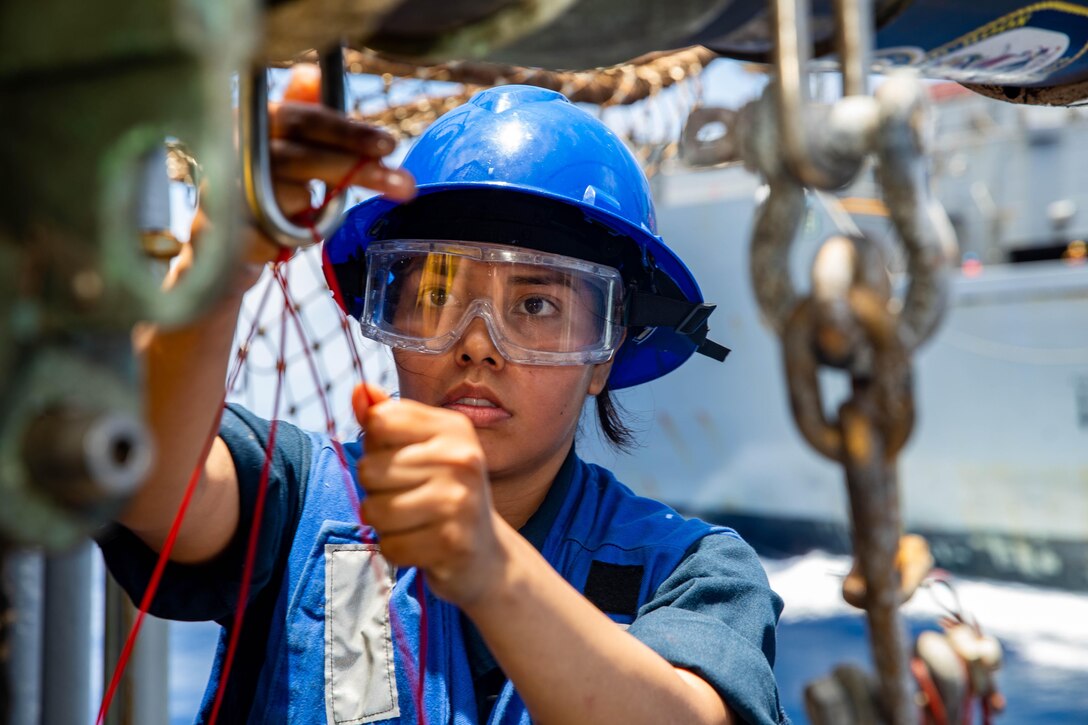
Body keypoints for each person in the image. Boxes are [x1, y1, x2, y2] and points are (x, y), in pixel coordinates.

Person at [100, 84, 787, 724]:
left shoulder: (691, 569)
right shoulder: (299, 496)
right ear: (383, 309)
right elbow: (157, 480)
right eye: (434, 295)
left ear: (605, 352)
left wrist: (489, 563)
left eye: (538, 304)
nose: (478, 346)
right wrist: (219, 258)